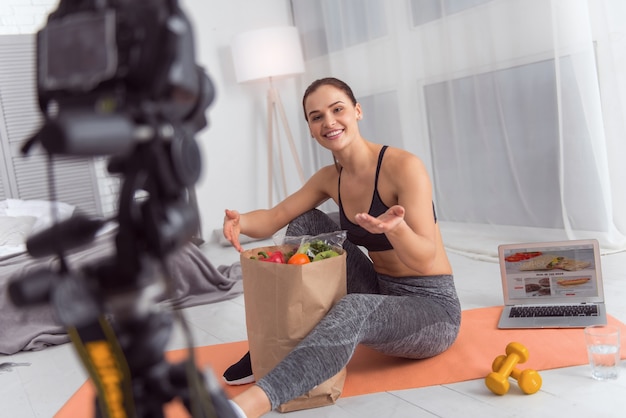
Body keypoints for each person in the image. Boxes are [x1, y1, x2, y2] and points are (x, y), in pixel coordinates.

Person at [222, 77, 461, 418]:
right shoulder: (328, 178)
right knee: (306, 223)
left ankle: (250, 405)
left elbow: (424, 259)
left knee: (356, 308)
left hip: (431, 310)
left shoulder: (404, 167)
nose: (329, 122)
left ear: (357, 111)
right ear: (310, 128)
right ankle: (276, 348)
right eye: (316, 116)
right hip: (380, 289)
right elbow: (275, 217)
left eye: (338, 110)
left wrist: (395, 230)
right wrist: (239, 220)